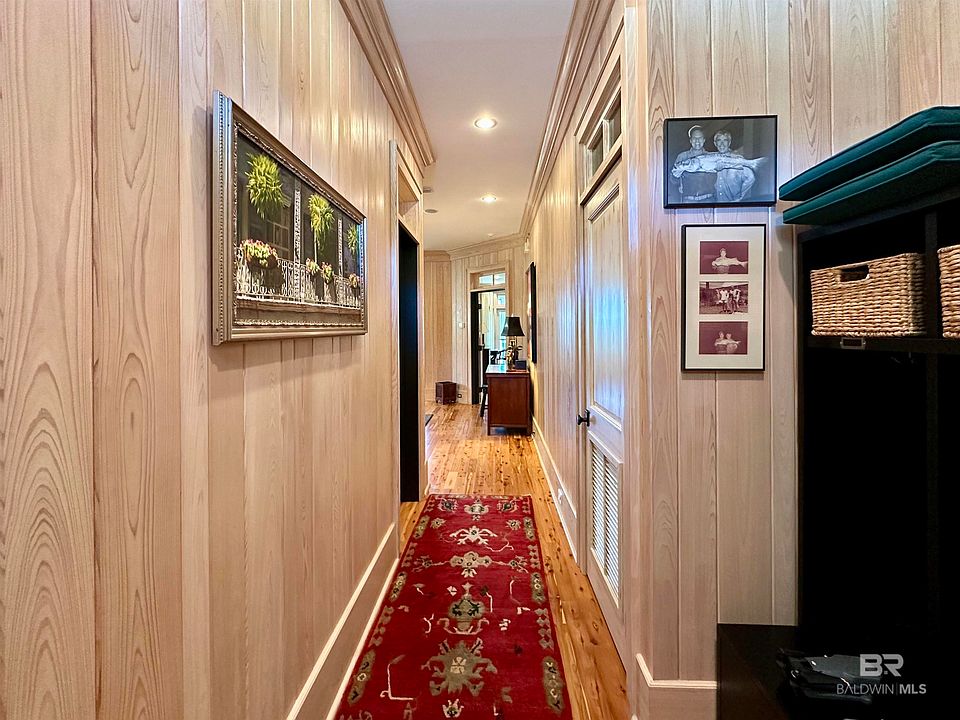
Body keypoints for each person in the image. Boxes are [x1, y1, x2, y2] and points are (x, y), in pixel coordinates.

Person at [671, 125, 716, 202]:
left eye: (700, 138)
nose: (697, 141)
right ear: (690, 140)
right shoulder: (682, 157)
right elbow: (673, 181)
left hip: (708, 200)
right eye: (694, 138)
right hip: (689, 201)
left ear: (704, 140)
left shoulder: (711, 157)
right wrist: (676, 175)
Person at [713, 131, 756, 201]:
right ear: (715, 143)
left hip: (732, 205)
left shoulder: (737, 159)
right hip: (715, 203)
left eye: (725, 140)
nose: (722, 144)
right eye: (719, 140)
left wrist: (740, 197)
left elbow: (751, 177)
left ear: (729, 143)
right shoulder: (712, 159)